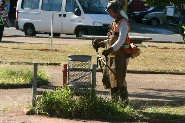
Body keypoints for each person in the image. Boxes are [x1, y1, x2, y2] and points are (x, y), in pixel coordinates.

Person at [92, 0, 130, 105]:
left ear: (116, 10)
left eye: (110, 11)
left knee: (119, 80)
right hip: (112, 56)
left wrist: (110, 49)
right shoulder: (114, 22)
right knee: (112, 79)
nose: (109, 13)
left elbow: (121, 40)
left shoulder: (123, 23)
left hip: (120, 56)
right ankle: (114, 103)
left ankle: (124, 104)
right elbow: (111, 39)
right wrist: (100, 44)